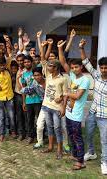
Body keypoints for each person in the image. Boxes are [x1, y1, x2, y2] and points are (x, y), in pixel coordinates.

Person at [58, 40, 90, 170]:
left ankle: (81, 161)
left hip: (76, 115)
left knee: (77, 138)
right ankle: (76, 155)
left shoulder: (85, 80)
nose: (74, 69)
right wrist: (60, 48)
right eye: (72, 68)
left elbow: (77, 96)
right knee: (71, 136)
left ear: (81, 67)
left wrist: (66, 93)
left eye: (76, 67)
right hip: (70, 112)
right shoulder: (72, 75)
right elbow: (62, 62)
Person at [79, 39, 107, 175]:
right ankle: (91, 153)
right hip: (92, 112)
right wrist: (81, 48)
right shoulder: (96, 76)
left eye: (106, 68)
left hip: (105, 116)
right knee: (88, 135)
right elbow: (86, 62)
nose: (103, 70)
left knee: (104, 140)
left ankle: (104, 162)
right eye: (101, 67)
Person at [41, 59, 68, 160]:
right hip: (46, 106)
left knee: (57, 128)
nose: (48, 68)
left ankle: (59, 150)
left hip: (57, 108)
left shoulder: (63, 79)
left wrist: (64, 107)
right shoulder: (48, 75)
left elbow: (65, 95)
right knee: (49, 127)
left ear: (56, 68)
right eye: (48, 66)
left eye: (50, 66)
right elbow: (43, 59)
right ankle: (50, 147)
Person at [21, 55, 42, 143]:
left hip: (37, 100)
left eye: (28, 62)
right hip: (28, 101)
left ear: (31, 62)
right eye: (25, 62)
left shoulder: (36, 70)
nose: (26, 63)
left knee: (39, 119)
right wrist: (24, 102)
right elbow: (23, 89)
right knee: (29, 119)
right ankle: (30, 136)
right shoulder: (23, 74)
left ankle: (40, 137)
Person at [0, 57, 14, 142]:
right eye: (0, 65)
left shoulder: (8, 71)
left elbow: (9, 57)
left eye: (3, 65)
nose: (2, 67)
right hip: (0, 98)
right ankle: (2, 134)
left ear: (5, 64)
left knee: (11, 116)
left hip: (9, 97)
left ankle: (12, 131)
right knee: (1, 117)